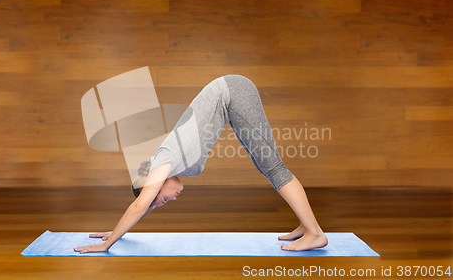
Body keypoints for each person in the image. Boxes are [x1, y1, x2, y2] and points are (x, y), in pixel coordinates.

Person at [74, 75, 327, 254]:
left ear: (155, 183)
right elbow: (145, 205)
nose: (170, 200)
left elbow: (140, 205)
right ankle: (307, 226)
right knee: (267, 167)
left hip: (232, 92)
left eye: (163, 199)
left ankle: (315, 234)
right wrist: (118, 231)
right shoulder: (163, 168)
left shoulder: (162, 160)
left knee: (272, 167)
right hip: (230, 99)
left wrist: (107, 245)